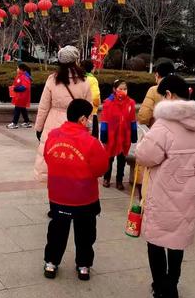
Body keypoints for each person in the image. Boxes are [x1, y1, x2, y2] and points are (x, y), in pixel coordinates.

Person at [135, 75, 195, 298]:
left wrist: (143, 141)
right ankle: (172, 286)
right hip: (190, 194)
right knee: (177, 240)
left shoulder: (164, 125)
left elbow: (146, 156)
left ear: (168, 95)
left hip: (165, 194)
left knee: (157, 241)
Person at [43, 99, 109, 280]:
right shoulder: (91, 142)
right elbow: (101, 168)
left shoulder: (54, 135)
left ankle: (51, 262)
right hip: (84, 197)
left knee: (57, 230)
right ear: (82, 119)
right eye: (88, 117)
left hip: (58, 195)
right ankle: (83, 265)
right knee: (85, 232)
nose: (89, 121)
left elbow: (48, 158)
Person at [34, 46, 93, 181]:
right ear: (75, 60)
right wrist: (87, 127)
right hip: (77, 124)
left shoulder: (53, 79)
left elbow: (44, 106)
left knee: (53, 155)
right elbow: (88, 108)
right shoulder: (84, 81)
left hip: (53, 122)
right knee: (73, 156)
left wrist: (39, 127)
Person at [100, 80, 137, 190]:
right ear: (114, 89)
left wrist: (134, 134)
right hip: (111, 135)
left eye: (125, 89)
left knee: (122, 159)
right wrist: (104, 134)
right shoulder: (108, 103)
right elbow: (104, 120)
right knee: (109, 158)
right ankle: (106, 178)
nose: (123, 91)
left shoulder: (131, 103)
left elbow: (133, 120)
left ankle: (119, 180)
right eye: (120, 89)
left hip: (124, 136)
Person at [138, 61, 175, 128]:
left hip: (158, 131)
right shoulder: (181, 89)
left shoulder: (154, 90)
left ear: (157, 75)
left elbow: (144, 116)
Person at [7, 63, 33, 129]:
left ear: (22, 69)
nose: (17, 69)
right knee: (22, 109)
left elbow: (24, 87)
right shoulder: (21, 75)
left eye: (18, 68)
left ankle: (14, 123)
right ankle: (27, 122)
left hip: (22, 96)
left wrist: (15, 89)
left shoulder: (24, 77)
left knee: (17, 109)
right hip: (20, 96)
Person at [82, 59, 101, 137]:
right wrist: (96, 105)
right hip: (91, 113)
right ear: (92, 68)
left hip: (78, 113)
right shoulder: (93, 80)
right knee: (92, 138)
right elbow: (95, 96)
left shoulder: (78, 78)